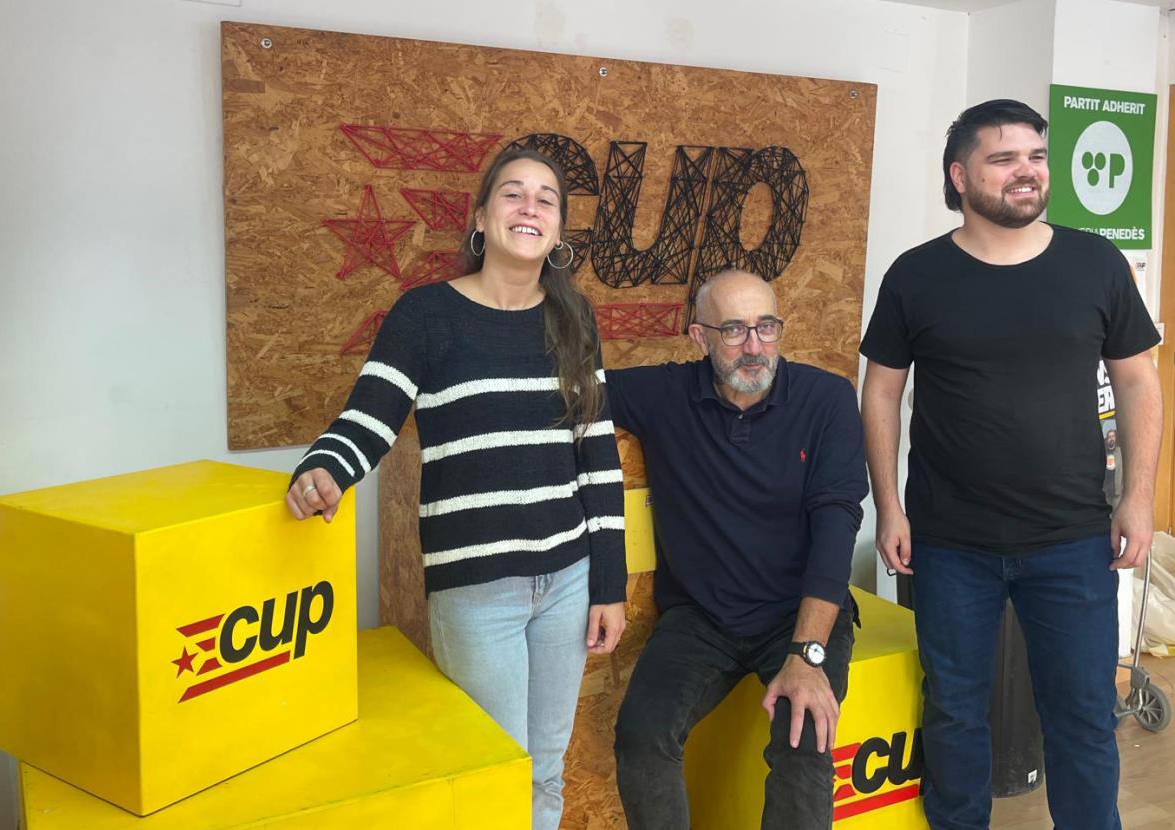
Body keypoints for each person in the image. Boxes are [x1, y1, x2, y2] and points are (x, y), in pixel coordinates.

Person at [285, 147, 628, 830]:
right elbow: (369, 418)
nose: (529, 208)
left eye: (546, 199)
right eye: (512, 193)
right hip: (477, 593)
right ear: (480, 218)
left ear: (558, 231)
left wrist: (609, 585)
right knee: (490, 777)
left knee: (544, 770)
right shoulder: (426, 315)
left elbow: (596, 455)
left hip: (568, 582)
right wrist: (325, 468)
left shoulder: (573, 319)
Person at [860, 99, 1162, 830]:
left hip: (1072, 538)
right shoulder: (917, 275)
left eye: (1036, 156)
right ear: (960, 176)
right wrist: (889, 508)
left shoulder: (1095, 263)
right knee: (954, 712)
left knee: (1082, 714)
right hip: (949, 539)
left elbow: (1137, 380)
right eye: (1003, 159)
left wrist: (1138, 496)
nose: (1026, 171)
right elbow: (881, 393)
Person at [606, 269, 869, 830]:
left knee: (804, 741)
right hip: (700, 617)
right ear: (699, 338)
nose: (754, 346)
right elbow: (565, 390)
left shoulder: (827, 400)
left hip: (797, 613)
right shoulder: (665, 394)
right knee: (641, 737)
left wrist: (808, 655)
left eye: (766, 327)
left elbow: (836, 528)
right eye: (733, 330)